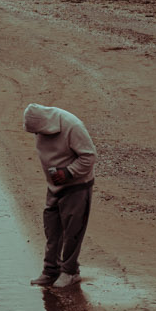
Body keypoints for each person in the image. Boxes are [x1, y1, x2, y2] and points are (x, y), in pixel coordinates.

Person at [24, 103, 97, 289]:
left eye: (37, 132)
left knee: (73, 231)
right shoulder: (40, 128)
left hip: (77, 185)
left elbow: (89, 157)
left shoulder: (72, 126)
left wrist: (68, 172)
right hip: (55, 186)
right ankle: (51, 271)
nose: (36, 136)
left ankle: (71, 272)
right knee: (52, 229)